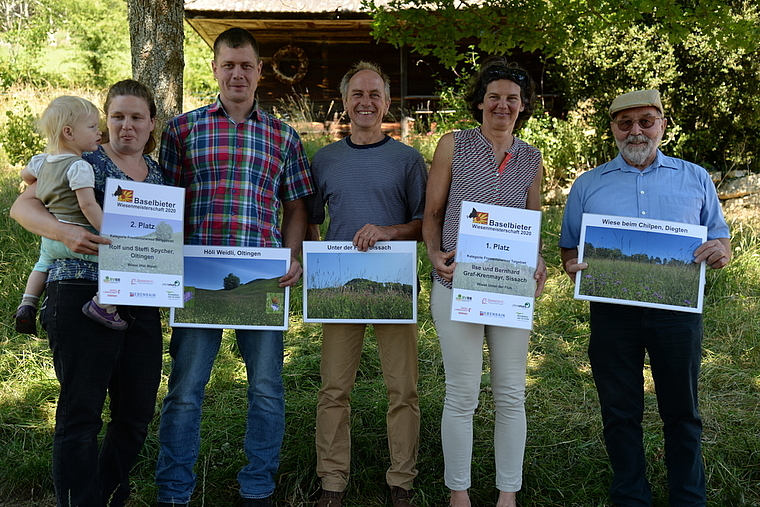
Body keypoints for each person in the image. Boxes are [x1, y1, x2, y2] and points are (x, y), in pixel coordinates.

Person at [155, 27, 313, 507]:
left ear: (260, 71)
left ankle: (258, 486)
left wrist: (293, 254)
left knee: (266, 388)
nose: (238, 73)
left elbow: (297, 206)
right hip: (197, 279)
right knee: (185, 389)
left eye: (246, 65)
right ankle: (174, 489)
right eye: (229, 65)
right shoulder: (183, 130)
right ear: (215, 69)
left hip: (262, 281)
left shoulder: (283, 136)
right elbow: (167, 205)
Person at [559, 89, 731, 507]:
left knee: (682, 411)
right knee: (620, 412)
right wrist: (570, 264)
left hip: (677, 315)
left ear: (663, 126)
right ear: (613, 130)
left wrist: (721, 250)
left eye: (645, 121)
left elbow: (719, 235)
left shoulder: (696, 178)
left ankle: (688, 498)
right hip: (612, 314)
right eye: (625, 123)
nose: (636, 131)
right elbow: (568, 247)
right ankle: (630, 496)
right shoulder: (588, 185)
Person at [9, 79, 165, 507]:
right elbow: (22, 207)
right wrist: (65, 232)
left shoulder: (161, 175)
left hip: (141, 298)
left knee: (135, 416)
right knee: (81, 414)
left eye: (137, 118)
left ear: (152, 124)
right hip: (79, 291)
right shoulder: (81, 159)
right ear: (105, 120)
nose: (126, 126)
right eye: (117, 117)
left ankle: (105, 492)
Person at [422, 57, 546, 507]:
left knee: (511, 393)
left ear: (523, 106)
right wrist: (434, 254)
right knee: (462, 394)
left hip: (509, 288)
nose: (502, 104)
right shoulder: (453, 144)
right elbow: (433, 211)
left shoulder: (531, 157)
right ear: (479, 102)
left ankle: (507, 495)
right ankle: (459, 493)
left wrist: (540, 260)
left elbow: (532, 220)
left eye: (512, 98)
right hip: (457, 284)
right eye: (494, 96)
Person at [306, 61, 428, 507]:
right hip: (339, 286)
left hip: (394, 284)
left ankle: (402, 480)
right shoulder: (324, 159)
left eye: (375, 94)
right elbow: (311, 221)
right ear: (344, 102)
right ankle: (332, 482)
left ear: (388, 102)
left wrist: (389, 231)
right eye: (357, 94)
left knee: (403, 389)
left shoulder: (408, 159)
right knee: (334, 389)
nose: (366, 102)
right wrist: (318, 265)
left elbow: (424, 223)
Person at [13, 96, 129, 334]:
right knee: (120, 260)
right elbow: (88, 206)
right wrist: (110, 231)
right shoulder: (79, 167)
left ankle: (27, 303)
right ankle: (103, 305)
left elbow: (26, 177)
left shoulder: (41, 162)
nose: (99, 131)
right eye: (92, 127)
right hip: (82, 235)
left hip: (52, 239)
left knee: (41, 265)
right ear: (69, 132)